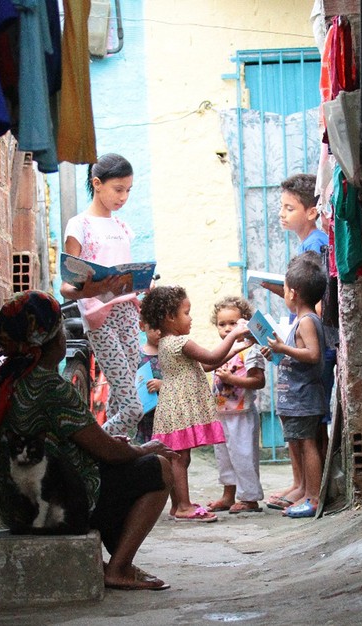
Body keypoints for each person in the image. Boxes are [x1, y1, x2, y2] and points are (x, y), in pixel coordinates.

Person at [0, 290, 178, 591]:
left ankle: (110, 559)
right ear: (49, 340)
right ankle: (119, 568)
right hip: (54, 511)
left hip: (18, 511)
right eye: (60, 329)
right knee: (160, 467)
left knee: (126, 465)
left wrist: (114, 445)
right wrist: (144, 447)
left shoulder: (6, 380)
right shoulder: (50, 388)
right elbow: (109, 453)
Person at [139, 285, 251, 522]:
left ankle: (177, 505)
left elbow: (206, 366)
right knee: (180, 458)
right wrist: (234, 334)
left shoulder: (168, 344)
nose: (190, 318)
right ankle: (184, 506)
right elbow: (211, 357)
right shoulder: (180, 343)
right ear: (170, 317)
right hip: (179, 407)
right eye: (186, 313)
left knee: (178, 457)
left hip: (174, 406)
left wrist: (237, 348)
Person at [261, 173, 335, 507]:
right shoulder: (307, 244)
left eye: (290, 208)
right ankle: (301, 485)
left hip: (309, 357)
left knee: (309, 429)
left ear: (311, 211)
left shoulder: (315, 245)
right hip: (298, 346)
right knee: (300, 428)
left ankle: (310, 490)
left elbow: (318, 298)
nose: (282, 213)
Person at [60, 153, 145, 440]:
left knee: (121, 399)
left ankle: (113, 465)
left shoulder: (122, 227)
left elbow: (125, 274)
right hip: (100, 317)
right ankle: (91, 451)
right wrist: (93, 290)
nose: (124, 197)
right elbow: (66, 287)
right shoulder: (79, 225)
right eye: (118, 189)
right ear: (97, 183)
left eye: (129, 191)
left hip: (129, 312)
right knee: (133, 409)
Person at [262, 253, 328, 518]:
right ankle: (304, 490)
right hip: (295, 398)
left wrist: (283, 347)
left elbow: (312, 354)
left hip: (304, 396)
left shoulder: (308, 320)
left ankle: (313, 497)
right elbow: (297, 352)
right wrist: (279, 352)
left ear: (293, 292)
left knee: (308, 443)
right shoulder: (301, 321)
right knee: (300, 443)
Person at [205, 296, 267, 514]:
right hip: (221, 413)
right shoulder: (221, 350)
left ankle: (249, 498)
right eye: (222, 324)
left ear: (245, 322)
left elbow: (259, 381)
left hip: (242, 414)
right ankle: (228, 495)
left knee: (243, 456)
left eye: (233, 323)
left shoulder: (251, 349)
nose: (227, 329)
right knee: (224, 458)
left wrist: (232, 380)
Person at [134, 320, 162, 445]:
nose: (159, 332)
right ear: (142, 326)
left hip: (168, 416)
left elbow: (181, 378)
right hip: (145, 418)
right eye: (154, 327)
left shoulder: (171, 355)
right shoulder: (136, 355)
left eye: (163, 327)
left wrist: (162, 384)